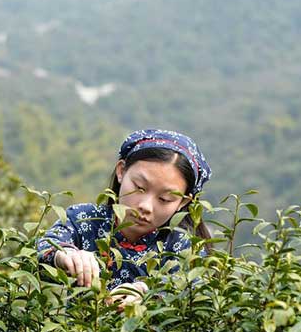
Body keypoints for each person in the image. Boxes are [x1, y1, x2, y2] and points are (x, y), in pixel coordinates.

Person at [37, 128, 213, 309]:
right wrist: (64, 255)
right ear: (121, 171)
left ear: (183, 202)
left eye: (164, 199)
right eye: (140, 188)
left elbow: (194, 290)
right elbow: (42, 249)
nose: (146, 206)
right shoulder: (83, 220)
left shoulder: (184, 246)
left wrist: (147, 292)